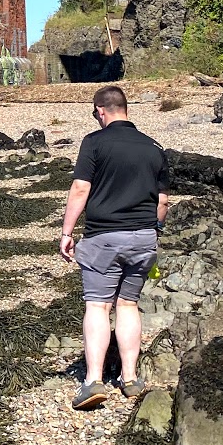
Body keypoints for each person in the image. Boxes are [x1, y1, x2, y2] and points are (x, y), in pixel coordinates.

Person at [57, 85, 169, 410]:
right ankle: (130, 378)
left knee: (98, 306)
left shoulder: (95, 142)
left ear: (101, 111)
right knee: (128, 305)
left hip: (103, 237)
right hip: (143, 238)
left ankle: (93, 380)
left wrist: (66, 232)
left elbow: (80, 188)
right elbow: (162, 201)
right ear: (126, 109)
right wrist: (154, 229)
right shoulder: (154, 147)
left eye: (95, 114)